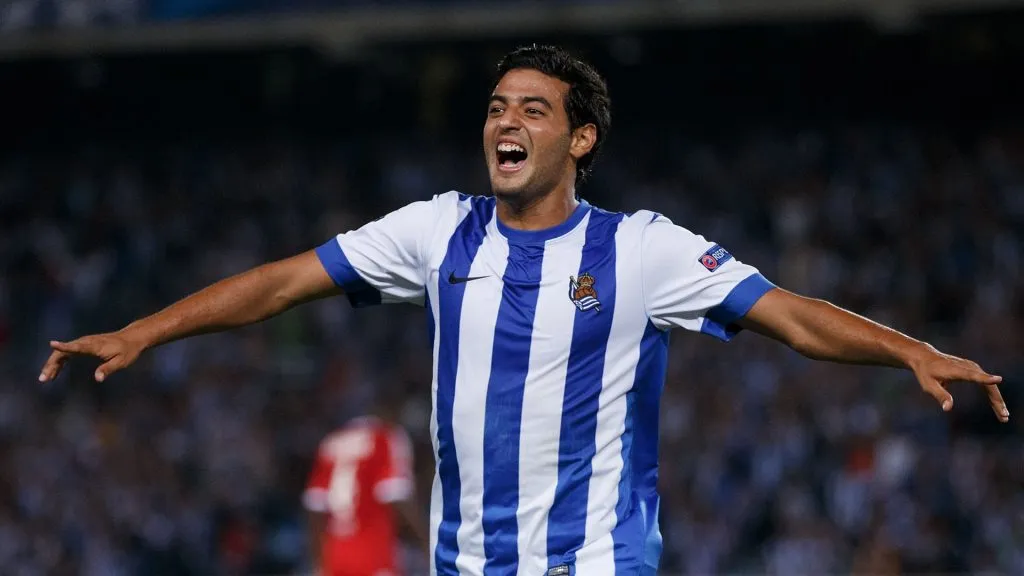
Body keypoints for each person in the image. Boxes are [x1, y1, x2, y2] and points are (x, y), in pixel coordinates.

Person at [39, 44, 1008, 575]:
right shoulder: (435, 230)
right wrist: (144, 329)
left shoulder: (641, 248)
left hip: (594, 562)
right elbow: (283, 282)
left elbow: (790, 315)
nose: (505, 120)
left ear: (580, 139)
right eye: (498, 105)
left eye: (533, 109)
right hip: (463, 565)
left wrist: (907, 351)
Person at [305, 392, 428, 576]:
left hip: (335, 556)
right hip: (373, 554)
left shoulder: (332, 441)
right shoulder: (386, 437)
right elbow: (396, 495)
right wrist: (427, 541)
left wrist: (320, 564)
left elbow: (315, 508)